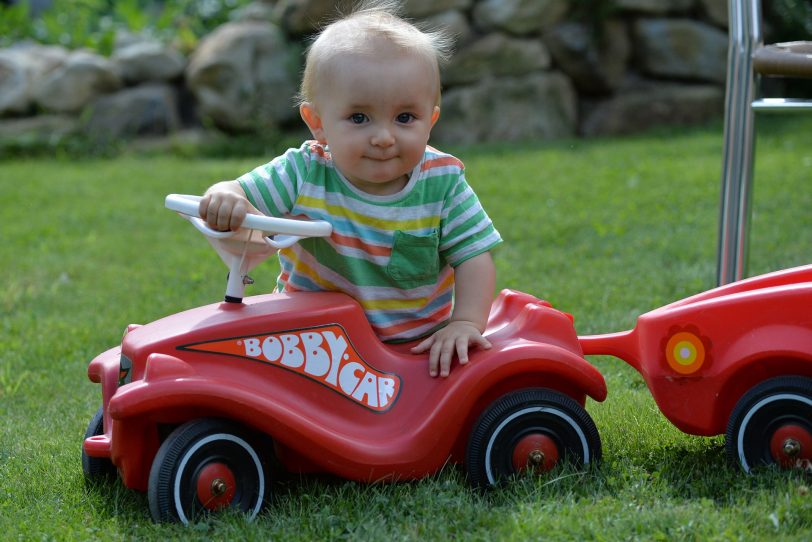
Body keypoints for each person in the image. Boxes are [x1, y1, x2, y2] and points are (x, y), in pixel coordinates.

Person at [198, 0, 501, 378]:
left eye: (405, 118)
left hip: (415, 350)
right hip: (312, 348)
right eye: (359, 118)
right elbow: (240, 191)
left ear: (431, 120)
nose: (384, 137)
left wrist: (466, 323)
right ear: (318, 123)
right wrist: (227, 195)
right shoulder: (305, 170)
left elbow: (474, 256)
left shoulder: (442, 181)